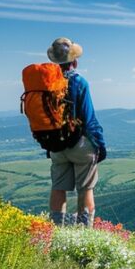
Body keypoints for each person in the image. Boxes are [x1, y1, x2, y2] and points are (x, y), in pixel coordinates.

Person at [45, 37, 106, 227]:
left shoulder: (46, 84)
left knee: (58, 188)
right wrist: (100, 145)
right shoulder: (79, 82)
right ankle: (83, 231)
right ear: (75, 61)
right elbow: (89, 119)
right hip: (79, 144)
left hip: (55, 144)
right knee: (86, 188)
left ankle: (55, 232)